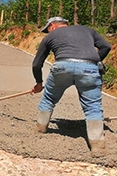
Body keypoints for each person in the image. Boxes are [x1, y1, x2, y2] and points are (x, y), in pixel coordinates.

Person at [31, 17, 112, 154]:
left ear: (52, 26)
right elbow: (106, 46)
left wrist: (39, 83)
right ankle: (98, 146)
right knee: (93, 106)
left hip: (62, 67)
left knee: (49, 99)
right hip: (89, 69)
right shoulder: (87, 30)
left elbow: (36, 64)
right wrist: (94, 61)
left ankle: (40, 129)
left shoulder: (51, 36)